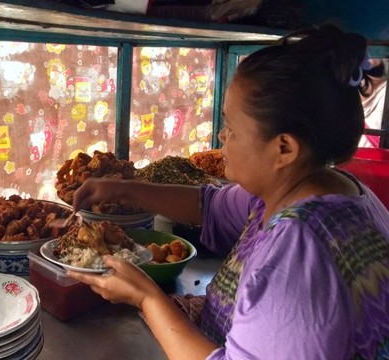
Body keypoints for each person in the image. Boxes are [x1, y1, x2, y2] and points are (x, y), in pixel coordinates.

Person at [68, 24, 389, 360]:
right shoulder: (323, 188)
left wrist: (148, 298)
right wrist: (122, 189)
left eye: (232, 128)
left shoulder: (295, 257)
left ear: (284, 148)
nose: (222, 137)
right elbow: (210, 207)